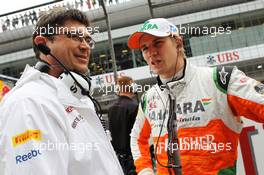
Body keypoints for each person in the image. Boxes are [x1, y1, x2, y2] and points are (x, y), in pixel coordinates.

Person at [127, 18, 264, 175]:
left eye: (158, 43)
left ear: (178, 43)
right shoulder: (148, 98)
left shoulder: (221, 79)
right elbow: (137, 139)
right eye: (145, 48)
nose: (151, 52)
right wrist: (145, 171)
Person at [0, 8, 123, 175]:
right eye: (74, 37)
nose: (85, 46)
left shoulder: (78, 97)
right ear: (42, 44)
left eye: (88, 40)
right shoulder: (28, 102)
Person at [108, 76, 138, 175]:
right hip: (134, 157)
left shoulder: (111, 109)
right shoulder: (134, 107)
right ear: (132, 87)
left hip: (119, 160)